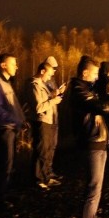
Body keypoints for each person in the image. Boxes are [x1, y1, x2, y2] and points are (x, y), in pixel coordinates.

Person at [69, 56, 109, 218]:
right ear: (84, 73)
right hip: (91, 142)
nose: (98, 77)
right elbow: (105, 107)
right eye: (95, 73)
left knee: (97, 187)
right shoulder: (78, 90)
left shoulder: (87, 89)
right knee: (93, 187)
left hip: (98, 141)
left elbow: (99, 107)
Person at [0, 53, 26, 205]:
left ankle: (6, 193)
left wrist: (21, 121)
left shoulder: (7, 84)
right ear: (3, 65)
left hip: (10, 129)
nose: (16, 66)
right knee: (4, 164)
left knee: (9, 163)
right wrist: (17, 120)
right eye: (13, 63)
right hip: (4, 130)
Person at [28, 61, 64, 190]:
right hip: (41, 121)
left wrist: (55, 94)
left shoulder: (41, 85)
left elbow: (45, 100)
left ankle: (45, 177)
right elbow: (38, 107)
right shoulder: (34, 85)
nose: (50, 78)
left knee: (46, 150)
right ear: (42, 71)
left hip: (48, 120)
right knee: (41, 150)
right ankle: (38, 179)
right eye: (49, 74)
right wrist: (54, 100)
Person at [43, 55, 64, 181]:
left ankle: (49, 171)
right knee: (47, 146)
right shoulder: (43, 80)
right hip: (47, 117)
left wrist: (59, 92)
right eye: (53, 68)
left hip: (54, 116)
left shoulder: (52, 80)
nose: (55, 71)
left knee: (53, 145)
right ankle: (44, 173)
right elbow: (44, 97)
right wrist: (55, 93)